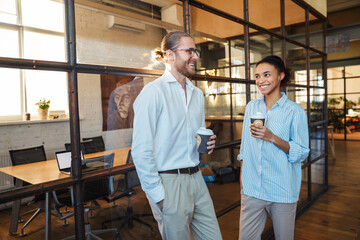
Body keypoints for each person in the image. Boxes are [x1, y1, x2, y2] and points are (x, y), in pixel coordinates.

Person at [131, 31, 222, 240]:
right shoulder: (153, 93)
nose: (196, 56)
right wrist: (158, 196)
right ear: (170, 56)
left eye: (195, 51)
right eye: (189, 51)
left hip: (197, 178)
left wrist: (206, 144)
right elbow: (140, 150)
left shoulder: (197, 94)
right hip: (169, 183)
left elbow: (197, 135)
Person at [238, 55, 310, 240]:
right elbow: (245, 148)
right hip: (252, 188)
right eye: (257, 76)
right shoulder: (251, 107)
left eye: (267, 74)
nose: (261, 80)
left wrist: (272, 137)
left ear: (281, 76)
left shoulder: (295, 111)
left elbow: (302, 151)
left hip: (282, 189)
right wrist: (243, 181)